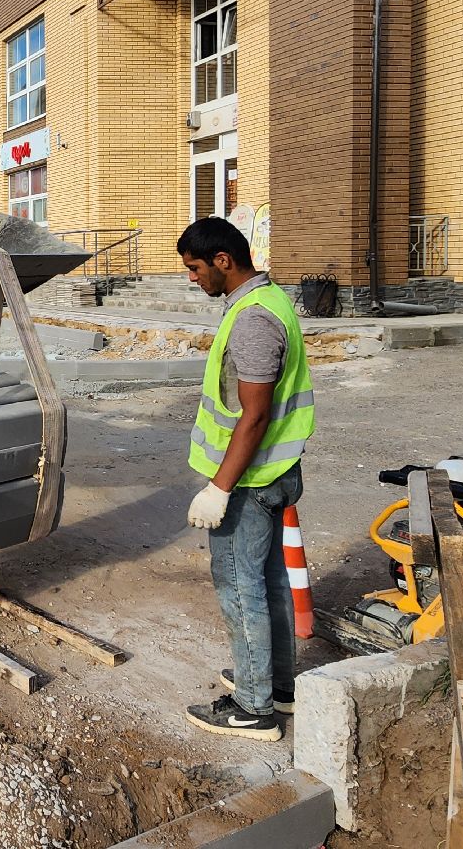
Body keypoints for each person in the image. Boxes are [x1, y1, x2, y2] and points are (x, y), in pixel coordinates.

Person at [178, 216, 315, 742]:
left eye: (195, 269)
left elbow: (254, 416)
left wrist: (219, 488)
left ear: (223, 261)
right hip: (278, 470)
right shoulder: (270, 300)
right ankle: (277, 683)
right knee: (272, 579)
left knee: (239, 585)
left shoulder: (254, 320)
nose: (192, 278)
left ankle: (253, 708)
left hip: (252, 480)